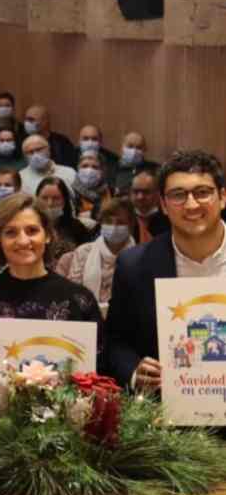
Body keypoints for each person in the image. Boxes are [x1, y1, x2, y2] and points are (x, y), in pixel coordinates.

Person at [0, 193, 103, 378]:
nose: (22, 240)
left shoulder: (79, 299)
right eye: (11, 232)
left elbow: (101, 364)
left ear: (48, 236)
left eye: (32, 231)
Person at [107, 151, 226, 391]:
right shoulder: (133, 265)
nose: (191, 205)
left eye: (202, 192)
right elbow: (114, 342)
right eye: (178, 195)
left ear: (222, 197)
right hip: (168, 416)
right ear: (162, 204)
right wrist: (134, 372)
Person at [56, 197, 135, 305]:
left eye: (120, 222)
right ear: (101, 223)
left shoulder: (138, 257)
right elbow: (74, 293)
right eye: (108, 221)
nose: (114, 227)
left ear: (131, 225)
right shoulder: (84, 252)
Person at [36, 177, 92, 262]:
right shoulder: (29, 227)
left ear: (65, 201)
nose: (49, 203)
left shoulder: (77, 228)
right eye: (44, 198)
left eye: (56, 198)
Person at [113, 131, 159, 196]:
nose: (134, 151)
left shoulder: (154, 169)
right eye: (130, 146)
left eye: (139, 147)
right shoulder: (111, 168)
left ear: (145, 149)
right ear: (122, 147)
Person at [71, 151, 112, 222]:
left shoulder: (113, 193)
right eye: (85, 166)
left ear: (103, 171)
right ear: (78, 169)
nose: (89, 171)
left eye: (95, 167)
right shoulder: (70, 193)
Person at [129, 168, 168, 243]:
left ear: (158, 193)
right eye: (135, 191)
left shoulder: (169, 219)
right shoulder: (123, 217)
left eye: (146, 192)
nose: (140, 197)